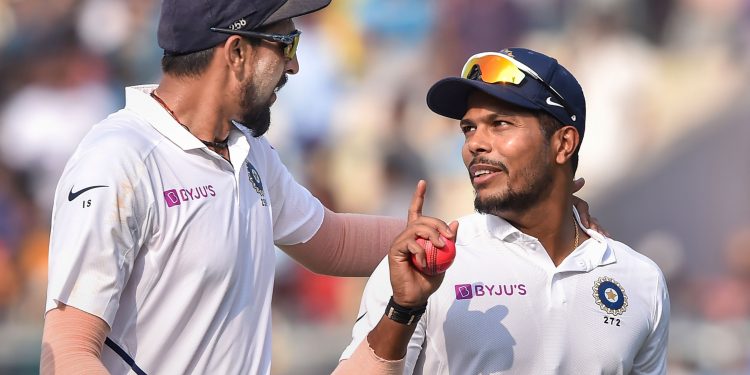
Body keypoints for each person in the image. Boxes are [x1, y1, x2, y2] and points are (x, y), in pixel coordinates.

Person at [39, 0, 600, 372]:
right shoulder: (119, 160)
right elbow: (67, 350)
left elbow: (329, 242)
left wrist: (507, 233)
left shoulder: (247, 153)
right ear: (236, 53)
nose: (296, 68)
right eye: (286, 46)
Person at [336, 48, 670, 374]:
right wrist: (403, 309)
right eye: (469, 128)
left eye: (500, 124)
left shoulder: (641, 280)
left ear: (564, 143)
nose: (473, 144)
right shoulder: (423, 267)